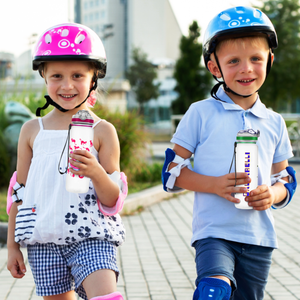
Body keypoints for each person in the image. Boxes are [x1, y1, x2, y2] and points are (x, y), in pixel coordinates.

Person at [161, 6, 297, 300]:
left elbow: (285, 179)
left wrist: (272, 195)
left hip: (259, 237)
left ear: (269, 61)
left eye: (256, 59)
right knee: (214, 290)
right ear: (215, 67)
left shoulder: (274, 122)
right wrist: (214, 184)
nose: (246, 68)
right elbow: (171, 173)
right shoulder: (200, 113)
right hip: (214, 233)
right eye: (233, 61)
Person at [6, 23, 127, 300]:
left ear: (93, 79)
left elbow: (113, 200)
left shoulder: (103, 131)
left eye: (77, 75)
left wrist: (96, 172)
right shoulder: (31, 130)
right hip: (43, 240)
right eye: (57, 76)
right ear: (44, 77)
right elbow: (19, 191)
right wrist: (13, 246)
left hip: (92, 236)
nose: (67, 85)